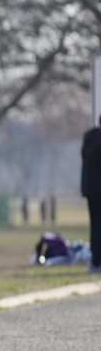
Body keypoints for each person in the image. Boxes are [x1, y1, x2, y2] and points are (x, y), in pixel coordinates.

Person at [82, 115, 101, 273]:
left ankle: (95, 261)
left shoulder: (89, 139)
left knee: (95, 226)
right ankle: (98, 261)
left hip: (90, 189)